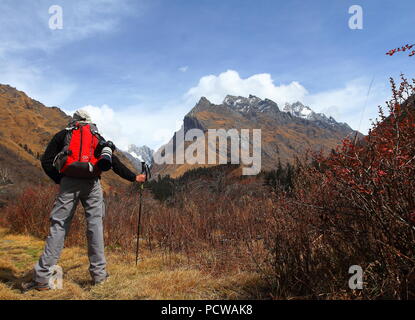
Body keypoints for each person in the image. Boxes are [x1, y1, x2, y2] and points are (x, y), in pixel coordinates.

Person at [23, 110, 146, 291]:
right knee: (95, 227)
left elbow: (46, 160)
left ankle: (42, 278)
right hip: (92, 184)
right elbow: (113, 162)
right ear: (90, 121)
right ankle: (99, 277)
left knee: (58, 226)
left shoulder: (64, 134)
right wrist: (134, 177)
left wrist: (60, 179)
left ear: (74, 121)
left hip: (68, 183)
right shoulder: (97, 137)